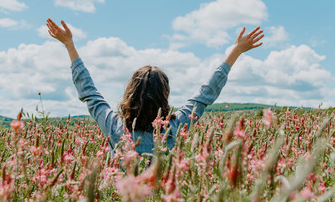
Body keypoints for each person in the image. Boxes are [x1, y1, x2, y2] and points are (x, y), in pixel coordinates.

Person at [46, 18, 264, 154]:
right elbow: (206, 94)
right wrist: (235, 52)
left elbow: (89, 93)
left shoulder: (115, 127)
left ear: (130, 93)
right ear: (164, 96)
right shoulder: (174, 128)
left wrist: (69, 45)